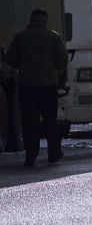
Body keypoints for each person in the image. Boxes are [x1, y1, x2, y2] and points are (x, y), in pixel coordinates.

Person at [6, 9, 68, 167]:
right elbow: (61, 61)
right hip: (48, 87)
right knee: (50, 122)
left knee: (29, 123)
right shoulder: (53, 37)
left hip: (27, 87)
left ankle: (30, 156)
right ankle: (53, 154)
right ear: (45, 20)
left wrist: (24, 65)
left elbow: (10, 59)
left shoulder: (21, 37)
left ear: (31, 19)